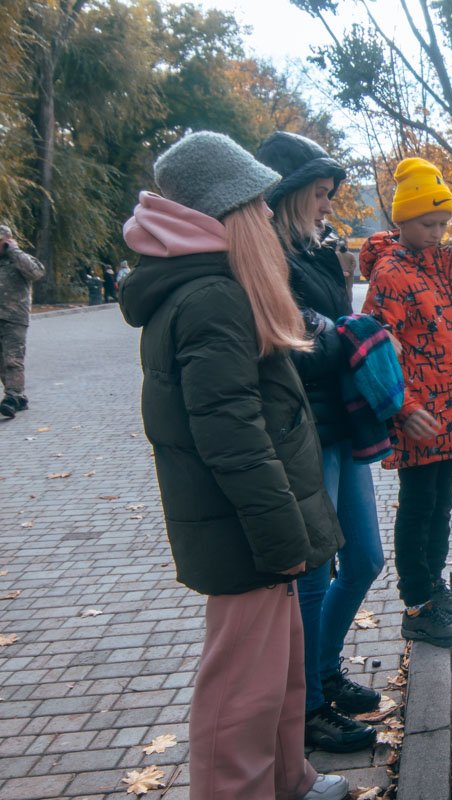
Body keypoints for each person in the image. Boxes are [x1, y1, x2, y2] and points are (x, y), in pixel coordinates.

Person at [117, 131, 349, 800]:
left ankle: (287, 780)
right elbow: (233, 438)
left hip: (253, 524)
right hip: (244, 528)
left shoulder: (215, 286)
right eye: (255, 206)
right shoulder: (212, 297)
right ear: (229, 213)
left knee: (275, 676)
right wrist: (282, 535)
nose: (266, 219)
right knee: (240, 692)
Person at [256, 131, 383, 753]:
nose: (330, 205)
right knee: (315, 572)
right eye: (323, 194)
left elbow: (332, 331)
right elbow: (295, 341)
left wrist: (342, 327)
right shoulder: (264, 253)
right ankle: (307, 708)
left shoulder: (315, 249)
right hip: (306, 428)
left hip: (342, 422)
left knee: (364, 559)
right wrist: (348, 334)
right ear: (293, 194)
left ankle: (324, 672)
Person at [362, 157, 452, 647]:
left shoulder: (434, 268)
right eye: (427, 224)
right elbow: (372, 348)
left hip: (450, 415)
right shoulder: (391, 274)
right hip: (420, 418)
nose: (436, 233)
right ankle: (417, 602)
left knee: (440, 503)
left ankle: (433, 583)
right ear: (401, 222)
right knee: (418, 506)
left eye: (442, 224)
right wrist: (402, 408)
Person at [0, 225, 46, 419]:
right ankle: (20, 397)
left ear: (7, 241)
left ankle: (13, 396)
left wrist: (15, 251)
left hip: (14, 317)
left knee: (12, 359)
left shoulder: (19, 259)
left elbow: (36, 272)